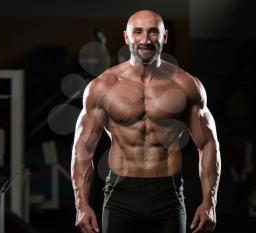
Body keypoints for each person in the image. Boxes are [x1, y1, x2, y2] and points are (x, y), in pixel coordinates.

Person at [71, 9, 221, 233]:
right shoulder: (103, 87)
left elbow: (208, 144)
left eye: (153, 32)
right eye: (138, 32)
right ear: (126, 37)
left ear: (165, 36)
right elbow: (83, 147)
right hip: (121, 193)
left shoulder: (186, 85)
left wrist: (210, 203)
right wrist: (81, 204)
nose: (145, 39)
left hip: (168, 194)